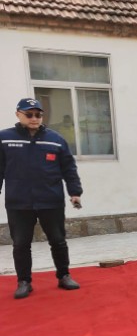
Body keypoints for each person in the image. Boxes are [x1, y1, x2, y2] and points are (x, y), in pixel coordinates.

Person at [0, 98, 82, 299]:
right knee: (21, 244)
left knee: (58, 241)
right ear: (18, 114)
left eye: (38, 114)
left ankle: (64, 275)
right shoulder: (5, 139)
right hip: (19, 203)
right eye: (29, 114)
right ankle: (24, 282)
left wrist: (75, 192)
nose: (34, 118)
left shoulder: (55, 139)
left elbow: (68, 168)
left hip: (51, 201)